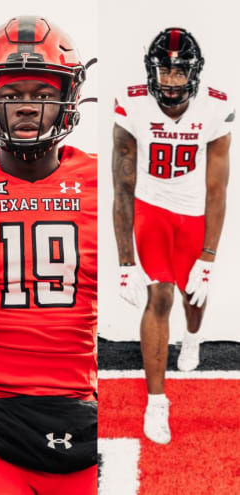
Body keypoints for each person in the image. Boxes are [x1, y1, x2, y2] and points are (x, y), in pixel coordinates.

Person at [0, 16, 97, 494]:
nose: (24, 107)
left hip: (79, 409)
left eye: (40, 93)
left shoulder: (101, 184)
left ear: (67, 97)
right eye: (12, 93)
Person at [112, 27, 232, 444]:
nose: (172, 80)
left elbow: (218, 187)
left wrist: (209, 256)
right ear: (152, 70)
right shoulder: (132, 102)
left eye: (180, 73)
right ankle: (157, 403)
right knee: (159, 295)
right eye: (165, 70)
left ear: (194, 75)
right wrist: (125, 262)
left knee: (193, 296)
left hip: (194, 211)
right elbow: (122, 186)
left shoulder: (216, 106)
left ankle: (193, 337)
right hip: (151, 209)